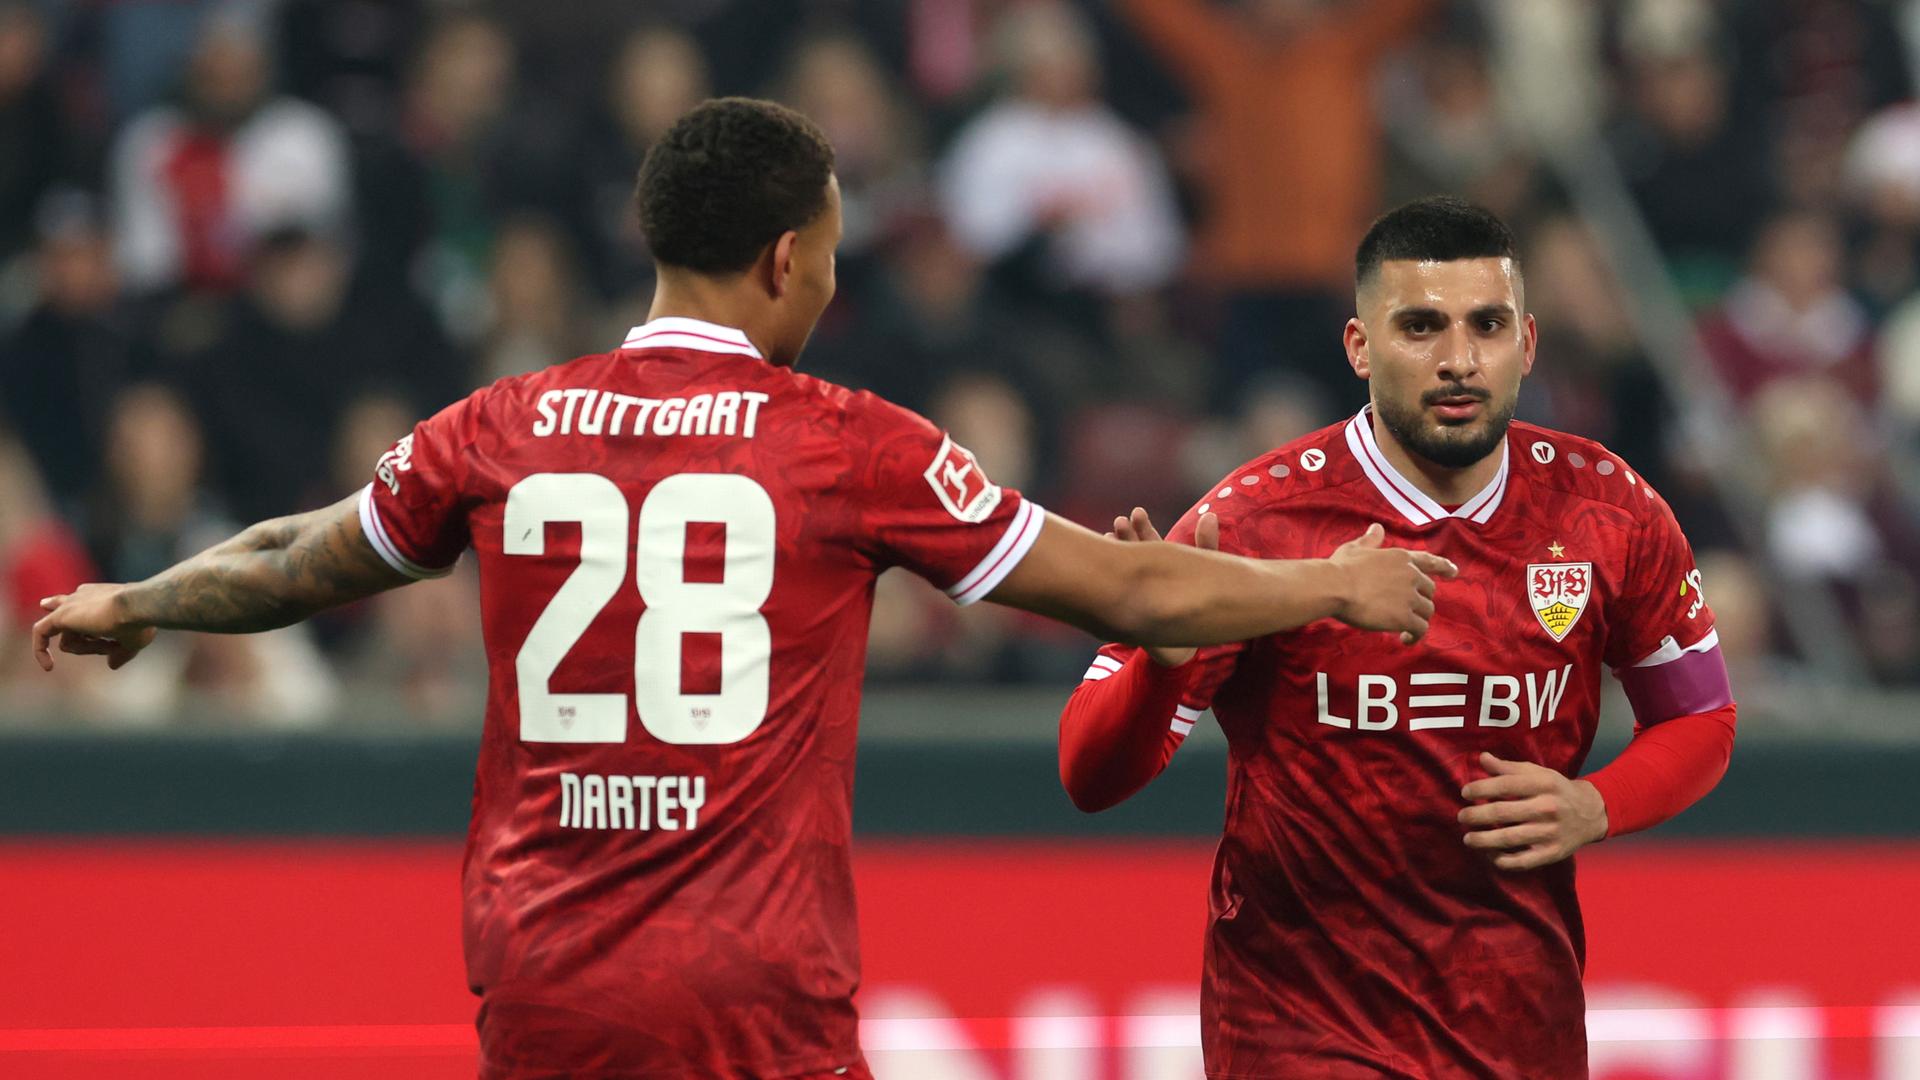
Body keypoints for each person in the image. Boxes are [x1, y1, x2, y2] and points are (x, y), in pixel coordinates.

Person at [32, 98, 1455, 1080]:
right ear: (789, 257)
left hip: (546, 984)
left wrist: (142, 599)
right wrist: (1326, 582)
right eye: (830, 247)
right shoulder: (849, 444)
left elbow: (296, 556)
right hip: (748, 999)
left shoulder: (501, 426)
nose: (832, 277)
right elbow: (1133, 593)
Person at [1058, 197, 1738, 1077]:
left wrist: (1597, 805)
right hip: (1301, 1031)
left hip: (1519, 1024)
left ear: (1527, 344)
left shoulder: (1608, 510)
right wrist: (1163, 659)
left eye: (1486, 326)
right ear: (1359, 347)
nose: (1459, 360)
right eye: (1420, 327)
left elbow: (1703, 721)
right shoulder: (1257, 522)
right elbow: (1089, 772)